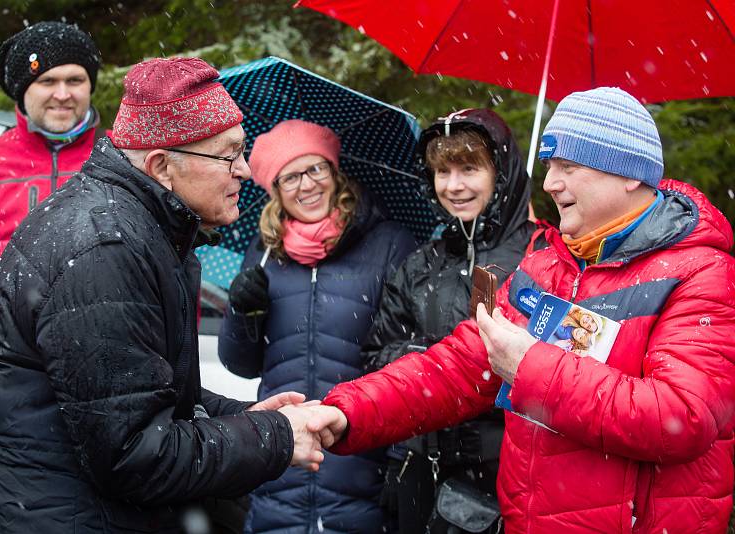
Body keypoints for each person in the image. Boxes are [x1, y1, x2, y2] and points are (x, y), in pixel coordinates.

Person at [309, 87, 735, 533]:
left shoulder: (701, 273)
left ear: (628, 174)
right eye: (551, 166)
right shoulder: (548, 264)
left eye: (568, 167)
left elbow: (682, 416)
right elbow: (458, 367)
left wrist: (530, 366)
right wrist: (348, 413)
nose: (550, 183)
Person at [0, 57, 327, 534]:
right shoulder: (106, 250)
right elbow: (133, 455)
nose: (245, 170)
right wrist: (275, 438)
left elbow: (138, 395)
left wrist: (242, 417)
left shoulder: (139, 225)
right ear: (160, 166)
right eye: (227, 155)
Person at [218, 119, 417, 533]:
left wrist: (400, 461)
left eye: (316, 169)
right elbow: (240, 364)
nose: (306, 185)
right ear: (274, 189)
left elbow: (406, 361)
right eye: (290, 177)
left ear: (334, 172)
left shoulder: (388, 244)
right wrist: (242, 312)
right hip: (281, 464)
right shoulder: (264, 252)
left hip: (362, 461)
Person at [360, 108, 537, 533]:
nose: (453, 186)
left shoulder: (541, 258)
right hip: (419, 469)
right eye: (442, 171)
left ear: (502, 175)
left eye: (469, 168)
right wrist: (421, 358)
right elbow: (373, 355)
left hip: (507, 472)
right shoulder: (419, 265)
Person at [0, 21, 101, 309]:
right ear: (22, 90)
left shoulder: (122, 157)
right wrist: (16, 260)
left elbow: (166, 264)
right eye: (47, 81)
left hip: (104, 346)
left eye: (74, 80)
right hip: (7, 349)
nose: (62, 94)